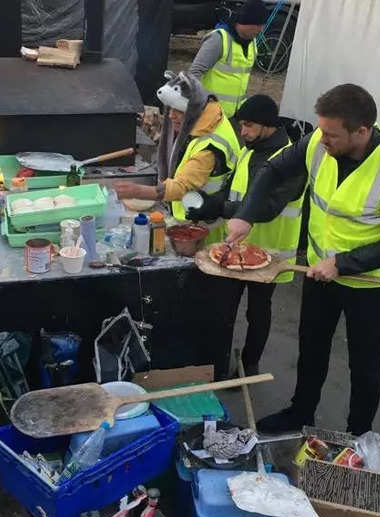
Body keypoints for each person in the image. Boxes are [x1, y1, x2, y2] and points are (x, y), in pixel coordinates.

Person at [226, 84, 380, 435]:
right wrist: (247, 214)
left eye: (331, 133)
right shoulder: (318, 143)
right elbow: (272, 171)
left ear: (361, 131)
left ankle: (358, 434)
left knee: (365, 362)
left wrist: (342, 264)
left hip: (367, 282)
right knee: (311, 347)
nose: (322, 139)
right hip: (318, 274)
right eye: (321, 130)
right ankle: (301, 413)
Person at [186, 95, 301, 376]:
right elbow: (233, 188)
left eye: (249, 126)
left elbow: (268, 207)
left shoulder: (291, 161)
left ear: (268, 125)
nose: (243, 132)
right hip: (233, 247)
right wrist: (209, 205)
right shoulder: (249, 150)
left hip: (269, 253)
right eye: (241, 125)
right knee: (224, 308)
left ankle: (250, 365)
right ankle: (218, 363)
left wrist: (220, 206)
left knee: (258, 312)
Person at [114, 72, 241, 245]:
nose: (171, 116)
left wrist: (137, 191)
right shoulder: (208, 115)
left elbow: (182, 187)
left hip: (201, 226)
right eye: (170, 109)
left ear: (193, 111)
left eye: (178, 111)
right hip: (194, 216)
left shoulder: (208, 148)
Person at [188, 0, 266, 118]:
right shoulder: (218, 39)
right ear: (248, 23)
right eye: (259, 25)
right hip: (209, 115)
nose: (261, 30)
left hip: (233, 116)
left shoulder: (252, 43)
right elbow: (194, 73)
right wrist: (201, 106)